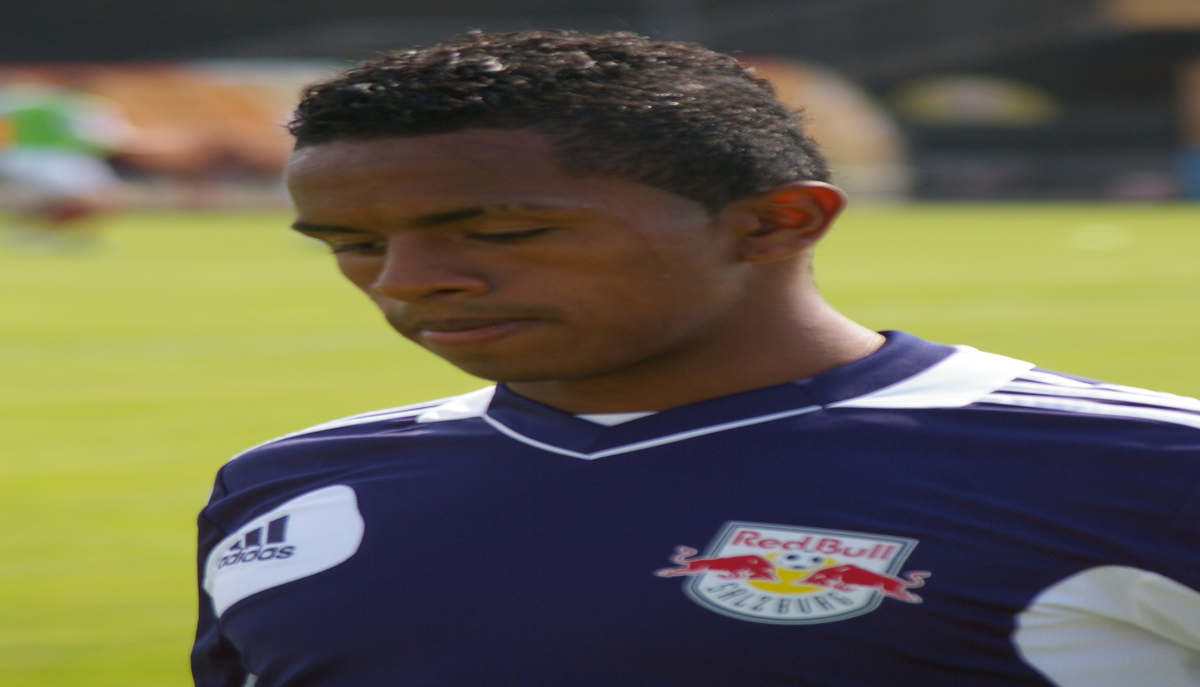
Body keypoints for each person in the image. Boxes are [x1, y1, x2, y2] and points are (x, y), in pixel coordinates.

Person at [193, 31, 1200, 687]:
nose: (409, 280)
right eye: (353, 244)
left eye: (502, 232)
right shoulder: (285, 487)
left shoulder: (1150, 473)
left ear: (776, 221)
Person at [0, 80, 127, 250]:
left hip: (27, 159)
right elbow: (101, 139)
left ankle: (35, 231)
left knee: (90, 201)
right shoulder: (85, 107)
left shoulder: (21, 101)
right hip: (56, 161)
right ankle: (35, 231)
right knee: (92, 201)